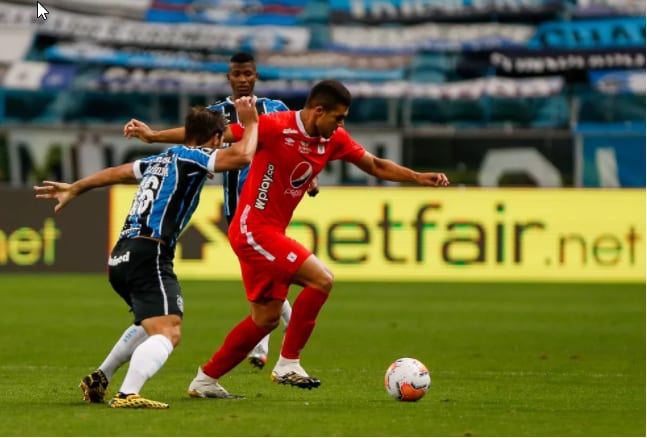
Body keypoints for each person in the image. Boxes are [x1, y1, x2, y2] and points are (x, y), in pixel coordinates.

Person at [126, 79, 449, 396]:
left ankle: (206, 379)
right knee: (321, 280)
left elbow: (375, 164)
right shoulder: (275, 126)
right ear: (318, 111)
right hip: (253, 229)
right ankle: (287, 364)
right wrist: (154, 136)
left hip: (269, 232)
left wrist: (417, 177)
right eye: (338, 117)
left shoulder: (333, 140)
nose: (340, 125)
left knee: (265, 319)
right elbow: (214, 134)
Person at [34, 97, 259, 408]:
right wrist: (253, 123)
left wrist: (77, 186)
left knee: (150, 322)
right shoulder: (194, 156)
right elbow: (241, 157)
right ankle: (128, 393)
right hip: (149, 252)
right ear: (215, 139)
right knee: (170, 330)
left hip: (121, 255)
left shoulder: (162, 159)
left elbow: (118, 172)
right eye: (221, 139)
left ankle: (101, 375)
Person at [123, 52, 310, 372]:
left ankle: (276, 349)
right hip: (237, 210)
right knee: (267, 278)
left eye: (247, 73)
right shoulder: (218, 114)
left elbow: (299, 141)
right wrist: (153, 135)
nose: (242, 79)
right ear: (229, 77)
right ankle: (282, 351)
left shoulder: (276, 109)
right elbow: (188, 134)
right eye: (236, 74)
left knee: (271, 277)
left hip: (270, 208)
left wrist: (312, 175)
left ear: (256, 75)